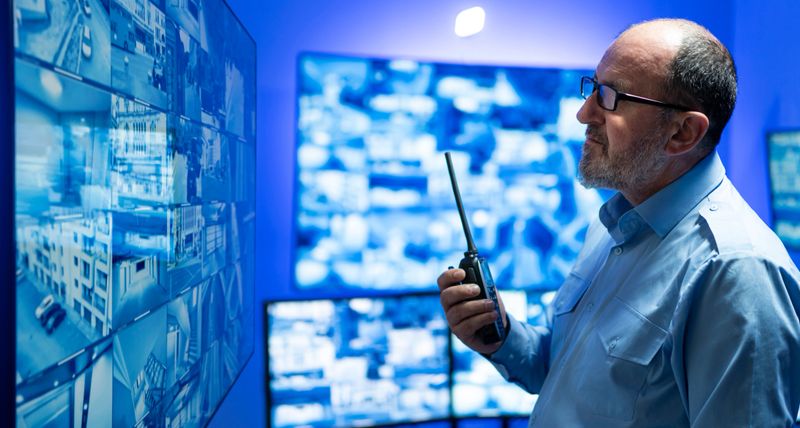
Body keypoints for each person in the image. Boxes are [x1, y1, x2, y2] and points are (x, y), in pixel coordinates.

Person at [438, 18, 800, 427]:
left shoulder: (736, 273)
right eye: (592, 87)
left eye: (610, 98)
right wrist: (499, 335)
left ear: (682, 133)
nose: (583, 113)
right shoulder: (616, 221)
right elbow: (562, 371)